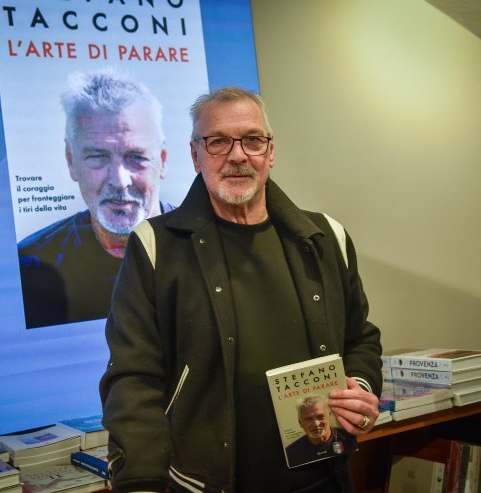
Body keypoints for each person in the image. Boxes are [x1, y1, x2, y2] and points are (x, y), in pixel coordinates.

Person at [99, 87, 382, 493]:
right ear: (195, 155)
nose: (236, 155)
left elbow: (361, 339)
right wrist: (140, 482)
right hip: (207, 484)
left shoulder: (325, 238)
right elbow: (133, 377)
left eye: (252, 139)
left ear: (270, 152)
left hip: (324, 478)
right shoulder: (155, 244)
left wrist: (362, 388)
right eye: (217, 142)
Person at [18, 70, 174, 328]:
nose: (119, 180)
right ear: (71, 162)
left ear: (163, 160)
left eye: (136, 156)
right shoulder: (31, 268)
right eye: (97, 157)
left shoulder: (207, 248)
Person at [286, 395, 349, 468]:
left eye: (320, 417)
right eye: (308, 419)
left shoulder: (349, 436)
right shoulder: (291, 453)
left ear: (330, 415)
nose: (316, 424)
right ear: (300, 423)